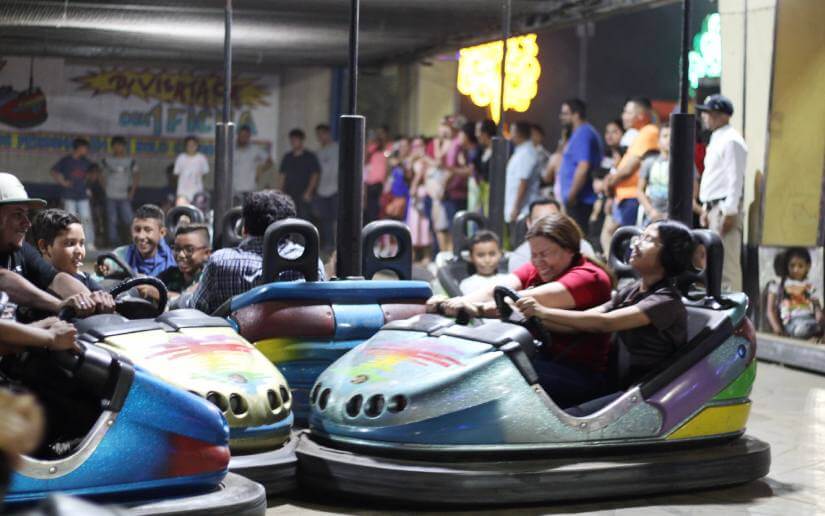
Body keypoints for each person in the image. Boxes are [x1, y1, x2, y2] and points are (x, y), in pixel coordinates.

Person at [428, 213, 613, 406]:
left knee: (491, 378)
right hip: (541, 360)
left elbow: (519, 302)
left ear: (569, 249)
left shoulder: (589, 278)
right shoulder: (539, 268)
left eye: (545, 254)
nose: (538, 261)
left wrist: (476, 309)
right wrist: (455, 302)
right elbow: (495, 290)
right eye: (534, 254)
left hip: (577, 374)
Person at [516, 220, 695, 398]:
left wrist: (542, 311)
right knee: (518, 368)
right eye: (640, 237)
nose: (636, 244)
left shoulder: (666, 302)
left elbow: (605, 323)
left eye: (648, 239)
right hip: (621, 386)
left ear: (669, 254)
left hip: (646, 393)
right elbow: (585, 320)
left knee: (522, 378)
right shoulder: (633, 289)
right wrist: (533, 318)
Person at [191, 190, 326, 314]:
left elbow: (196, 310)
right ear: (289, 227)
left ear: (244, 228)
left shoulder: (220, 262)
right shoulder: (309, 261)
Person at [0, 173, 111, 317]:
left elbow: (56, 279)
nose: (27, 223)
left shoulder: (21, 251)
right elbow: (4, 280)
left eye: (26, 214)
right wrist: (58, 306)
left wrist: (89, 301)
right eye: (17, 214)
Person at [697, 94, 747, 292]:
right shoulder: (717, 137)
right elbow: (714, 177)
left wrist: (730, 211)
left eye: (708, 113)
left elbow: (735, 178)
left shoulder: (732, 140)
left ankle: (735, 307)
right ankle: (721, 303)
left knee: (727, 264)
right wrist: (704, 207)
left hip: (724, 207)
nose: (704, 117)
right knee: (715, 262)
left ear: (721, 115)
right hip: (713, 207)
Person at [604, 97, 660, 230]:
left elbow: (629, 168)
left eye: (627, 112)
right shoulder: (640, 134)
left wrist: (609, 182)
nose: (623, 116)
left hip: (632, 197)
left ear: (641, 115)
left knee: (626, 237)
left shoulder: (649, 131)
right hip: (625, 197)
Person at [508, 198, 596, 272]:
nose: (545, 225)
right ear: (529, 223)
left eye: (551, 220)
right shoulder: (520, 257)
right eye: (539, 220)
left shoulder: (582, 247)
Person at [637, 124, 701, 224]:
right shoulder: (649, 162)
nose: (668, 139)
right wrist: (651, 211)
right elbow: (639, 191)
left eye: (672, 136)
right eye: (665, 136)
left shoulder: (686, 162)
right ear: (658, 141)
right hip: (654, 216)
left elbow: (694, 188)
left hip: (678, 218)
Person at [557, 99, 604, 234]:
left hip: (579, 201)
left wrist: (571, 196)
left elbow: (583, 167)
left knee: (576, 238)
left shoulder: (584, 134)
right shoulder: (577, 133)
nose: (561, 117)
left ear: (576, 114)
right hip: (575, 200)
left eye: (565, 113)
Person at [31, 209, 104, 292]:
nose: (79, 251)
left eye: (81, 243)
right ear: (43, 246)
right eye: (70, 243)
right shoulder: (32, 287)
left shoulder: (85, 280)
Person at [98, 204, 176, 278]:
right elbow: (107, 265)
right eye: (137, 230)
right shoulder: (122, 254)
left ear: (162, 232)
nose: (141, 236)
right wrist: (103, 268)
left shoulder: (173, 260)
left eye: (148, 230)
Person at [766, 248, 823, 340]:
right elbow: (770, 310)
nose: (796, 269)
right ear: (787, 266)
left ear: (808, 266)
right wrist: (777, 328)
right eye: (792, 266)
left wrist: (818, 313)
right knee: (801, 330)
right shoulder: (779, 285)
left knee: (814, 327)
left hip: (809, 318)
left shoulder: (809, 286)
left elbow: (816, 305)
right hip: (791, 320)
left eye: (800, 266)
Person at [50, 137, 95, 250]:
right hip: (69, 195)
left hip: (83, 195)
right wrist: (62, 182)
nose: (87, 150)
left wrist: (89, 182)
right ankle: (71, 242)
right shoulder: (66, 160)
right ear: (79, 148)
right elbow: (53, 171)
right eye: (85, 148)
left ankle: (89, 243)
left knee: (86, 219)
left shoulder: (86, 162)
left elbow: (94, 173)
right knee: (70, 220)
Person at [504, 121, 541, 238]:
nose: (510, 135)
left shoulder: (527, 153)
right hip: (518, 208)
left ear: (519, 134)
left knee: (520, 241)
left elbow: (523, 182)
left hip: (523, 210)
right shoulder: (521, 151)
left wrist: (516, 208)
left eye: (512, 132)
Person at [100, 135, 138, 246]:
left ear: (124, 147)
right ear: (112, 147)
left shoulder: (130, 161)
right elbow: (99, 175)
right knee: (112, 220)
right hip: (110, 195)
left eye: (121, 146)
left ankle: (134, 239)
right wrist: (105, 188)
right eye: (116, 146)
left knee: (129, 219)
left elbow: (136, 175)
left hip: (124, 195)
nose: (118, 148)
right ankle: (113, 241)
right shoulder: (107, 160)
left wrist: (132, 191)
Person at [158, 223, 211, 297]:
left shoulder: (210, 280)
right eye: (177, 249)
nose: (181, 255)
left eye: (189, 250)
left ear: (206, 253)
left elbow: (191, 299)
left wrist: (160, 294)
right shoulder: (168, 275)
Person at [279, 128, 320, 220]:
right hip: (289, 195)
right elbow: (282, 176)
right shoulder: (287, 157)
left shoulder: (310, 156)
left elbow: (315, 175)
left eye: (295, 139)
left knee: (304, 220)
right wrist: (280, 192)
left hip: (304, 196)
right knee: (289, 220)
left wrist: (308, 192)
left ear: (301, 140)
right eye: (291, 140)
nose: (293, 142)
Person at [314, 124, 339, 255]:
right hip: (321, 190)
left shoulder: (338, 148)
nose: (320, 137)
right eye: (318, 135)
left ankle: (338, 245)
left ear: (328, 134)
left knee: (337, 219)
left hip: (336, 189)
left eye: (321, 134)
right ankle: (329, 244)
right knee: (325, 220)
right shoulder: (317, 152)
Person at [233, 125, 272, 201]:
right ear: (238, 136)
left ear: (249, 137)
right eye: (241, 135)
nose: (243, 138)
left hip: (250, 188)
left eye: (245, 136)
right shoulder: (232, 149)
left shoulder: (255, 149)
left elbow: (269, 161)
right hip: (234, 190)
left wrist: (260, 170)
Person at [363, 126, 389, 224]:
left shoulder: (387, 149)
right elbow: (365, 158)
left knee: (379, 209)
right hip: (370, 184)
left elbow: (387, 168)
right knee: (369, 209)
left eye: (382, 134)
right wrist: (370, 143)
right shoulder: (373, 149)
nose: (380, 136)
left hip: (380, 184)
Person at [173, 136, 209, 206]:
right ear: (185, 146)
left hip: (197, 192)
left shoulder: (201, 158)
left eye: (193, 145)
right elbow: (176, 174)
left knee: (198, 210)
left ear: (197, 146)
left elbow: (204, 174)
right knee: (182, 210)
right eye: (189, 145)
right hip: (183, 192)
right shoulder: (181, 158)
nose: (191, 147)